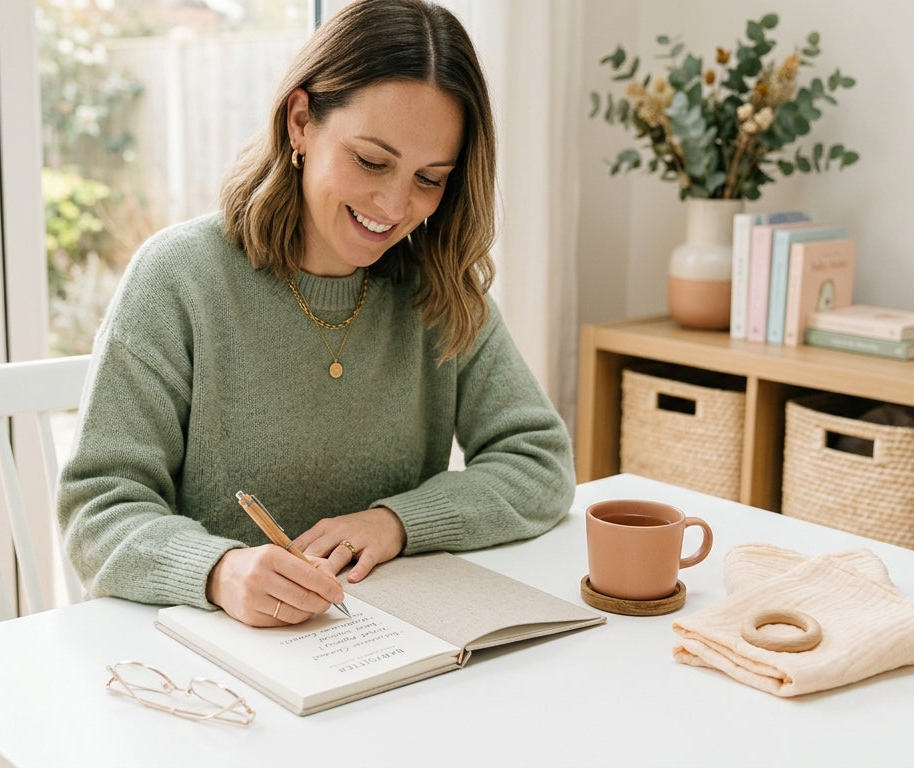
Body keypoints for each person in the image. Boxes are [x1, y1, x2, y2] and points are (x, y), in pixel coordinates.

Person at [57, 0, 575, 628]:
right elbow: (99, 510)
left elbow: (540, 462)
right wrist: (219, 570)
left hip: (382, 646)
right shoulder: (179, 278)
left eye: (430, 178)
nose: (395, 204)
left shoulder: (435, 288)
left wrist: (395, 523)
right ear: (301, 122)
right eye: (372, 161)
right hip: (208, 657)